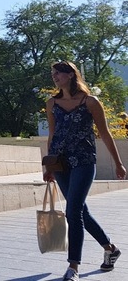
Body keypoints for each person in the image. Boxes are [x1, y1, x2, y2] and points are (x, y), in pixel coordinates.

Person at [44, 60, 126, 281]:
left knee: (73, 212)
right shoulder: (51, 103)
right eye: (53, 74)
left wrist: (118, 163)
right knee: (81, 212)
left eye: (58, 73)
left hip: (84, 161)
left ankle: (73, 267)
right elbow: (52, 136)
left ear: (70, 74)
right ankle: (110, 248)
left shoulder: (90, 102)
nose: (55, 77)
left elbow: (105, 134)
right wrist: (48, 165)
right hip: (60, 164)